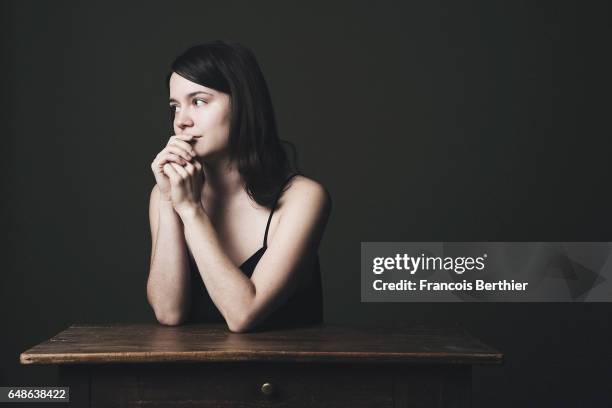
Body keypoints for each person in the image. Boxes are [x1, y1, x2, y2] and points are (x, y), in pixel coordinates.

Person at [146, 41, 331, 332]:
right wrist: (170, 202)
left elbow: (243, 314)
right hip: (196, 374)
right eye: (174, 107)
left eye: (199, 101)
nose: (181, 121)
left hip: (286, 374)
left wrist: (192, 211)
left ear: (242, 105)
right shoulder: (167, 193)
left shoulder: (303, 198)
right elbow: (169, 312)